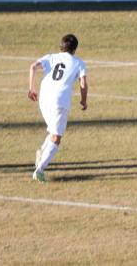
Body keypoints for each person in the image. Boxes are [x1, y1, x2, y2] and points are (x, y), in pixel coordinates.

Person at [27, 34, 88, 182]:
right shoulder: (79, 63)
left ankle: (42, 151)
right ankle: (39, 170)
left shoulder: (51, 57)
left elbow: (33, 66)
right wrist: (83, 101)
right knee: (56, 138)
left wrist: (31, 88)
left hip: (44, 98)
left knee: (53, 130)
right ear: (75, 49)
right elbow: (83, 83)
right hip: (60, 101)